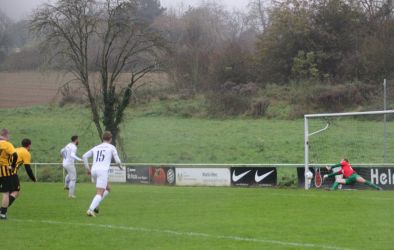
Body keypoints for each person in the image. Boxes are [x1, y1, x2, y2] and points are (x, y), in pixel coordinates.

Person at [83, 131, 122, 217]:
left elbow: (84, 156)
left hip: (94, 170)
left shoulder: (96, 147)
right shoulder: (111, 147)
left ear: (102, 138)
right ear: (110, 139)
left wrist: (87, 169)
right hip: (102, 171)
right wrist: (120, 167)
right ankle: (90, 210)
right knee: (100, 193)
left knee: (107, 188)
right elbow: (118, 161)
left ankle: (96, 205)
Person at [5, 139, 37, 215]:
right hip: (11, 173)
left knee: (10, 192)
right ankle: (2, 211)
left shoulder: (16, 149)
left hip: (4, 171)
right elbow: (28, 168)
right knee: (15, 192)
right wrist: (33, 178)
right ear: (29, 145)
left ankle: (3, 211)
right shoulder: (26, 153)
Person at [0, 128, 18, 219]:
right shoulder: (7, 144)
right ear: (6, 135)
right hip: (4, 171)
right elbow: (15, 155)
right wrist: (13, 166)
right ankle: (2, 214)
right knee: (6, 193)